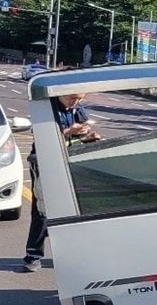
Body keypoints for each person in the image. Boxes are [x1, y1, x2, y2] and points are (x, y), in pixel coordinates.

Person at [22, 93, 101, 273]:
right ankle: (33, 256)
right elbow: (42, 136)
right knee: (42, 210)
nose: (76, 102)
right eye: (72, 98)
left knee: (73, 209)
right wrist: (69, 132)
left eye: (80, 99)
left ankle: (71, 255)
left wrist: (87, 138)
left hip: (69, 161)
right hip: (44, 162)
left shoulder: (78, 109)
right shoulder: (46, 108)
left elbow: (75, 140)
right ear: (61, 94)